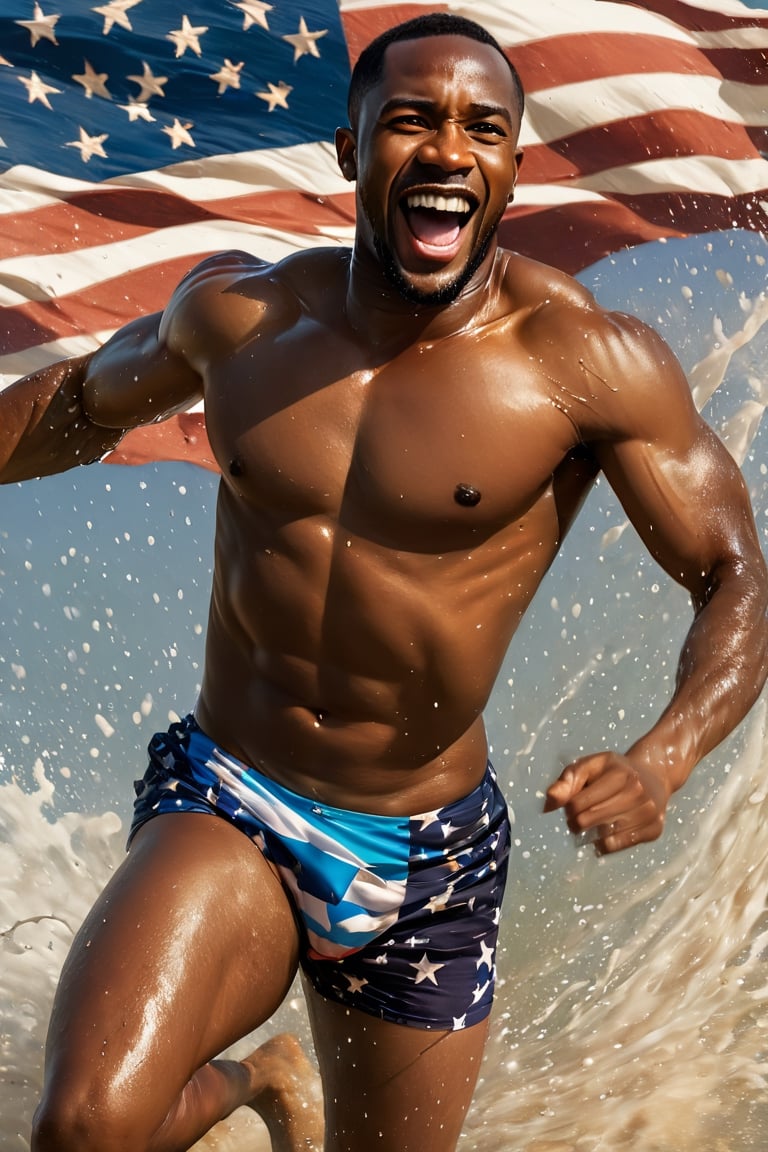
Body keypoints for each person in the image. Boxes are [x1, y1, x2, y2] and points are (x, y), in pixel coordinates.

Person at [3, 13, 766, 1152]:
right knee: (86, 1129)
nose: (449, 149)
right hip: (234, 797)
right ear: (352, 151)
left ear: (510, 164)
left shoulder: (580, 363)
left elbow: (734, 574)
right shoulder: (242, 318)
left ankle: (281, 1074)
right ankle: (254, 1076)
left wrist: (664, 757)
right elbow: (77, 405)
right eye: (412, 119)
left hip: (422, 859)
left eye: (484, 128)